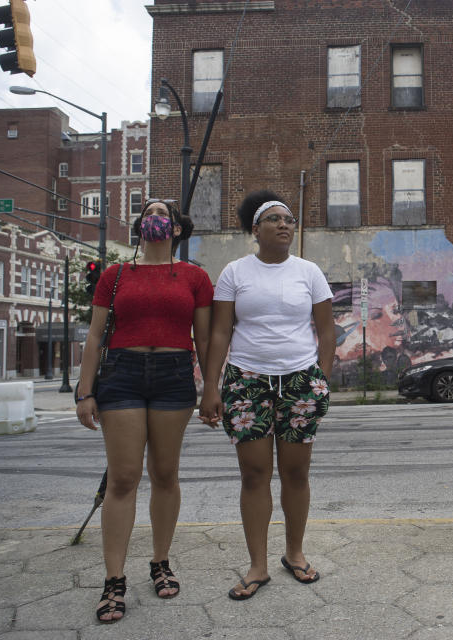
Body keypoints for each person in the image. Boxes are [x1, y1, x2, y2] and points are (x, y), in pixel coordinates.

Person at [75, 198, 212, 623]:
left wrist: (212, 389)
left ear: (175, 229)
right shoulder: (115, 276)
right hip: (122, 373)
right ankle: (113, 581)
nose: (155, 218)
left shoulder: (196, 277)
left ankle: (160, 561)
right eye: (148, 213)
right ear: (139, 227)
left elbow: (204, 340)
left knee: (165, 474)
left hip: (174, 374)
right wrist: (84, 391)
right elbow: (96, 335)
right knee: (123, 477)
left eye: (163, 214)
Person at [199, 190, 336, 599]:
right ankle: (257, 565)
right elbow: (220, 332)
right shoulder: (234, 273)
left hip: (299, 380)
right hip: (247, 381)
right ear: (255, 230)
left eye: (289, 219)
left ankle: (294, 553)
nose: (284, 224)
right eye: (274, 219)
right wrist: (211, 386)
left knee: (296, 474)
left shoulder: (308, 271)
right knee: (254, 474)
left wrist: (321, 380)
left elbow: (327, 331)